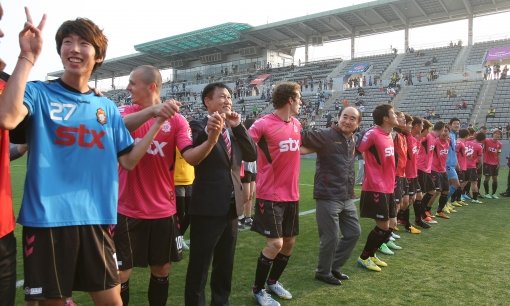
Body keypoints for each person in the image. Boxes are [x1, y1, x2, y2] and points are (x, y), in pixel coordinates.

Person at [0, 14, 185, 304]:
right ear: (59, 50)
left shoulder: (106, 108)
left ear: (97, 55)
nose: (74, 48)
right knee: (54, 302)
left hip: (97, 219)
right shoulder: (39, 92)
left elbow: (129, 161)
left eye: (83, 43)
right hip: (48, 219)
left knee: (112, 301)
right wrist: (26, 56)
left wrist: (158, 123)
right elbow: (7, 118)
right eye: (67, 42)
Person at [115, 65, 219, 306]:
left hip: (163, 210)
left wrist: (212, 140)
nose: (128, 87)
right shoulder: (124, 110)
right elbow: (116, 126)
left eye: (132, 82)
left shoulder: (178, 120)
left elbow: (191, 157)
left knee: (162, 271)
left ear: (151, 86)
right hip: (126, 209)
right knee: (120, 274)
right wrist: (154, 112)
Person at [184, 82, 257, 306]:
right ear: (208, 101)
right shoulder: (197, 124)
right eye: (222, 96)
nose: (228, 101)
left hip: (231, 207)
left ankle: (220, 302)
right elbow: (194, 150)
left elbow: (252, 154)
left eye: (229, 97)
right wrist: (211, 132)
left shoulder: (233, 130)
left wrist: (238, 126)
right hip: (207, 207)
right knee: (200, 265)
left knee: (225, 264)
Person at [249, 81, 302, 306]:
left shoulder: (297, 124)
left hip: (292, 195)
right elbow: (243, 144)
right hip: (270, 194)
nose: (301, 103)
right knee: (275, 244)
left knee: (289, 243)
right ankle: (258, 290)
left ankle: (272, 281)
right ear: (290, 100)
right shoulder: (263, 124)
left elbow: (298, 149)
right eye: (298, 98)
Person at [300, 106, 362, 286]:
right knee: (331, 237)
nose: (347, 121)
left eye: (352, 119)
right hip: (327, 194)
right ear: (338, 117)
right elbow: (301, 137)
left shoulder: (353, 139)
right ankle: (323, 272)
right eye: (345, 117)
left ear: (357, 124)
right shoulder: (326, 135)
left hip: (347, 195)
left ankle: (333, 266)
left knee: (353, 233)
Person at [356, 104, 399, 272]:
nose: (395, 116)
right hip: (376, 186)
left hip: (388, 186)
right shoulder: (373, 134)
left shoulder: (389, 135)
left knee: (392, 223)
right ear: (385, 118)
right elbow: (358, 149)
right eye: (393, 113)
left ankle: (372, 254)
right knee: (382, 225)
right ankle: (364, 257)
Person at [174, 148, 194, 249]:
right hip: (177, 182)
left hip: (190, 180)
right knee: (180, 213)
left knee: (190, 212)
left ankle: (179, 236)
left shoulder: (190, 139)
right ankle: (178, 239)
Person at [240, 117, 257, 228]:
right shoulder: (244, 138)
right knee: (245, 196)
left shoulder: (256, 138)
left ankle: (248, 217)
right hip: (245, 168)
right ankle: (239, 216)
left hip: (253, 168)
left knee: (250, 195)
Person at [481, 129, 502, 199]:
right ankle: (487, 193)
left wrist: (498, 163)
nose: (497, 135)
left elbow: (498, 154)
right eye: (496, 133)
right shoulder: (487, 140)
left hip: (495, 164)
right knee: (487, 178)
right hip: (487, 163)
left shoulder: (500, 144)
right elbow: (480, 141)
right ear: (493, 134)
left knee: (495, 179)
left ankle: (493, 194)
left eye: (499, 134)